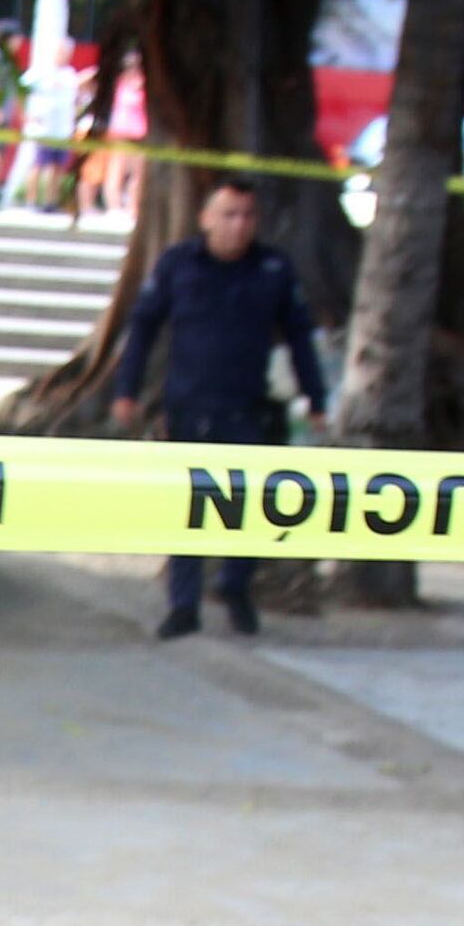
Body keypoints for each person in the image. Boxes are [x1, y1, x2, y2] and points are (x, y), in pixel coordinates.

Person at [105, 173, 330, 637]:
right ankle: (184, 605)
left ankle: (236, 585)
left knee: (248, 507)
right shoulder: (178, 265)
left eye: (248, 216)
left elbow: (300, 337)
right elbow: (143, 328)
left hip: (248, 408)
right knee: (189, 508)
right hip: (189, 404)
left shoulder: (273, 270)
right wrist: (125, 390)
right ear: (206, 218)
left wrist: (316, 398)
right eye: (228, 214)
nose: (239, 225)